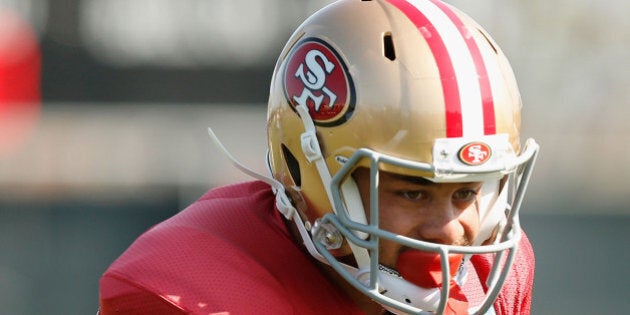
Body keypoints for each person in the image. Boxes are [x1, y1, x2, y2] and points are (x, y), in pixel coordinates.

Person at [98, 0, 539, 314]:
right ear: (306, 171)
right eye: (413, 193)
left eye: (464, 192)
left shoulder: (490, 275)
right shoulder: (191, 289)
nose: (449, 232)